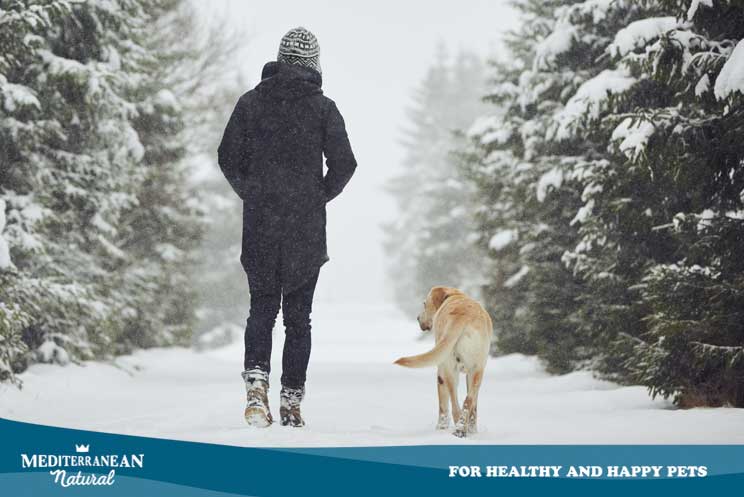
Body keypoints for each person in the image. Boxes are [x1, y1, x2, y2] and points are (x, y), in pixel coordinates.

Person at [217, 27, 357, 428]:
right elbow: (345, 164)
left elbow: (228, 156)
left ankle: (256, 389)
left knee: (261, 307)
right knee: (299, 318)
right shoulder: (324, 109)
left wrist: (253, 192)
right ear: (314, 65)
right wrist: (316, 197)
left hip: (260, 225)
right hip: (305, 230)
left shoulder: (251, 103)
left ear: (279, 59)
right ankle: (291, 401)